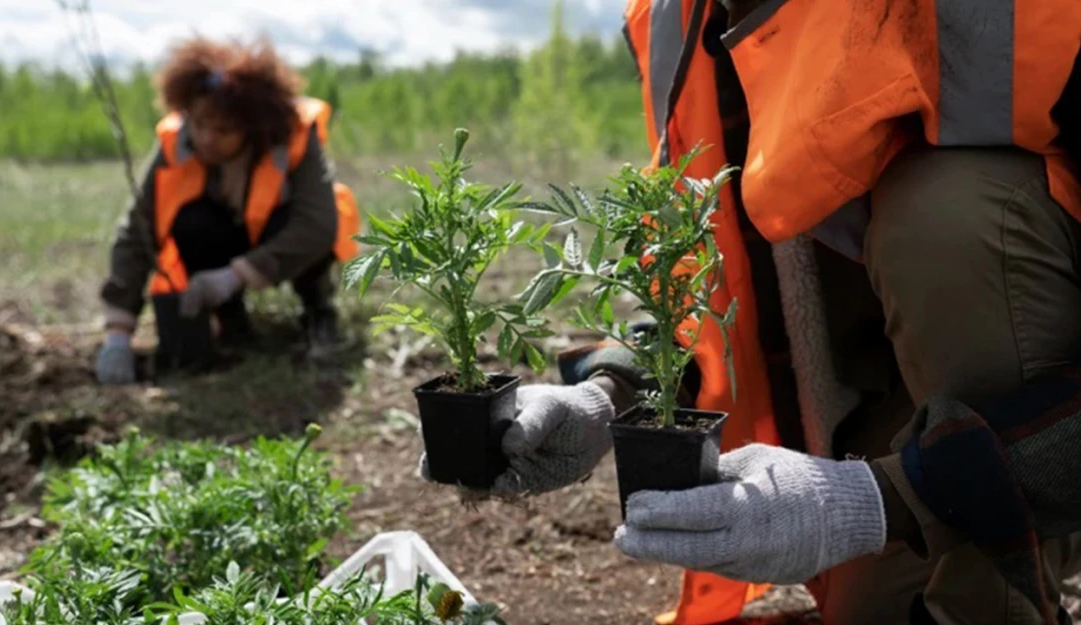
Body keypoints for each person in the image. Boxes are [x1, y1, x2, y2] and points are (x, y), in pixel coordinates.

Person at [420, 1, 1081, 623]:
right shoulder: (684, 20)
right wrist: (611, 392)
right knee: (870, 606)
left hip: (1051, 414)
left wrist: (889, 496)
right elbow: (717, 277)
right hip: (924, 412)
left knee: (946, 217)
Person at [95, 36, 359, 385]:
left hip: (280, 240)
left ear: (252, 126)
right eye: (200, 123)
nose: (206, 138)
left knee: (309, 228)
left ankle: (318, 312)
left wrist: (234, 276)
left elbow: (317, 224)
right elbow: (137, 232)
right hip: (225, 237)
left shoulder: (292, 135)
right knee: (191, 223)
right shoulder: (177, 142)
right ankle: (231, 324)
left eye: (223, 130)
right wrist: (118, 334)